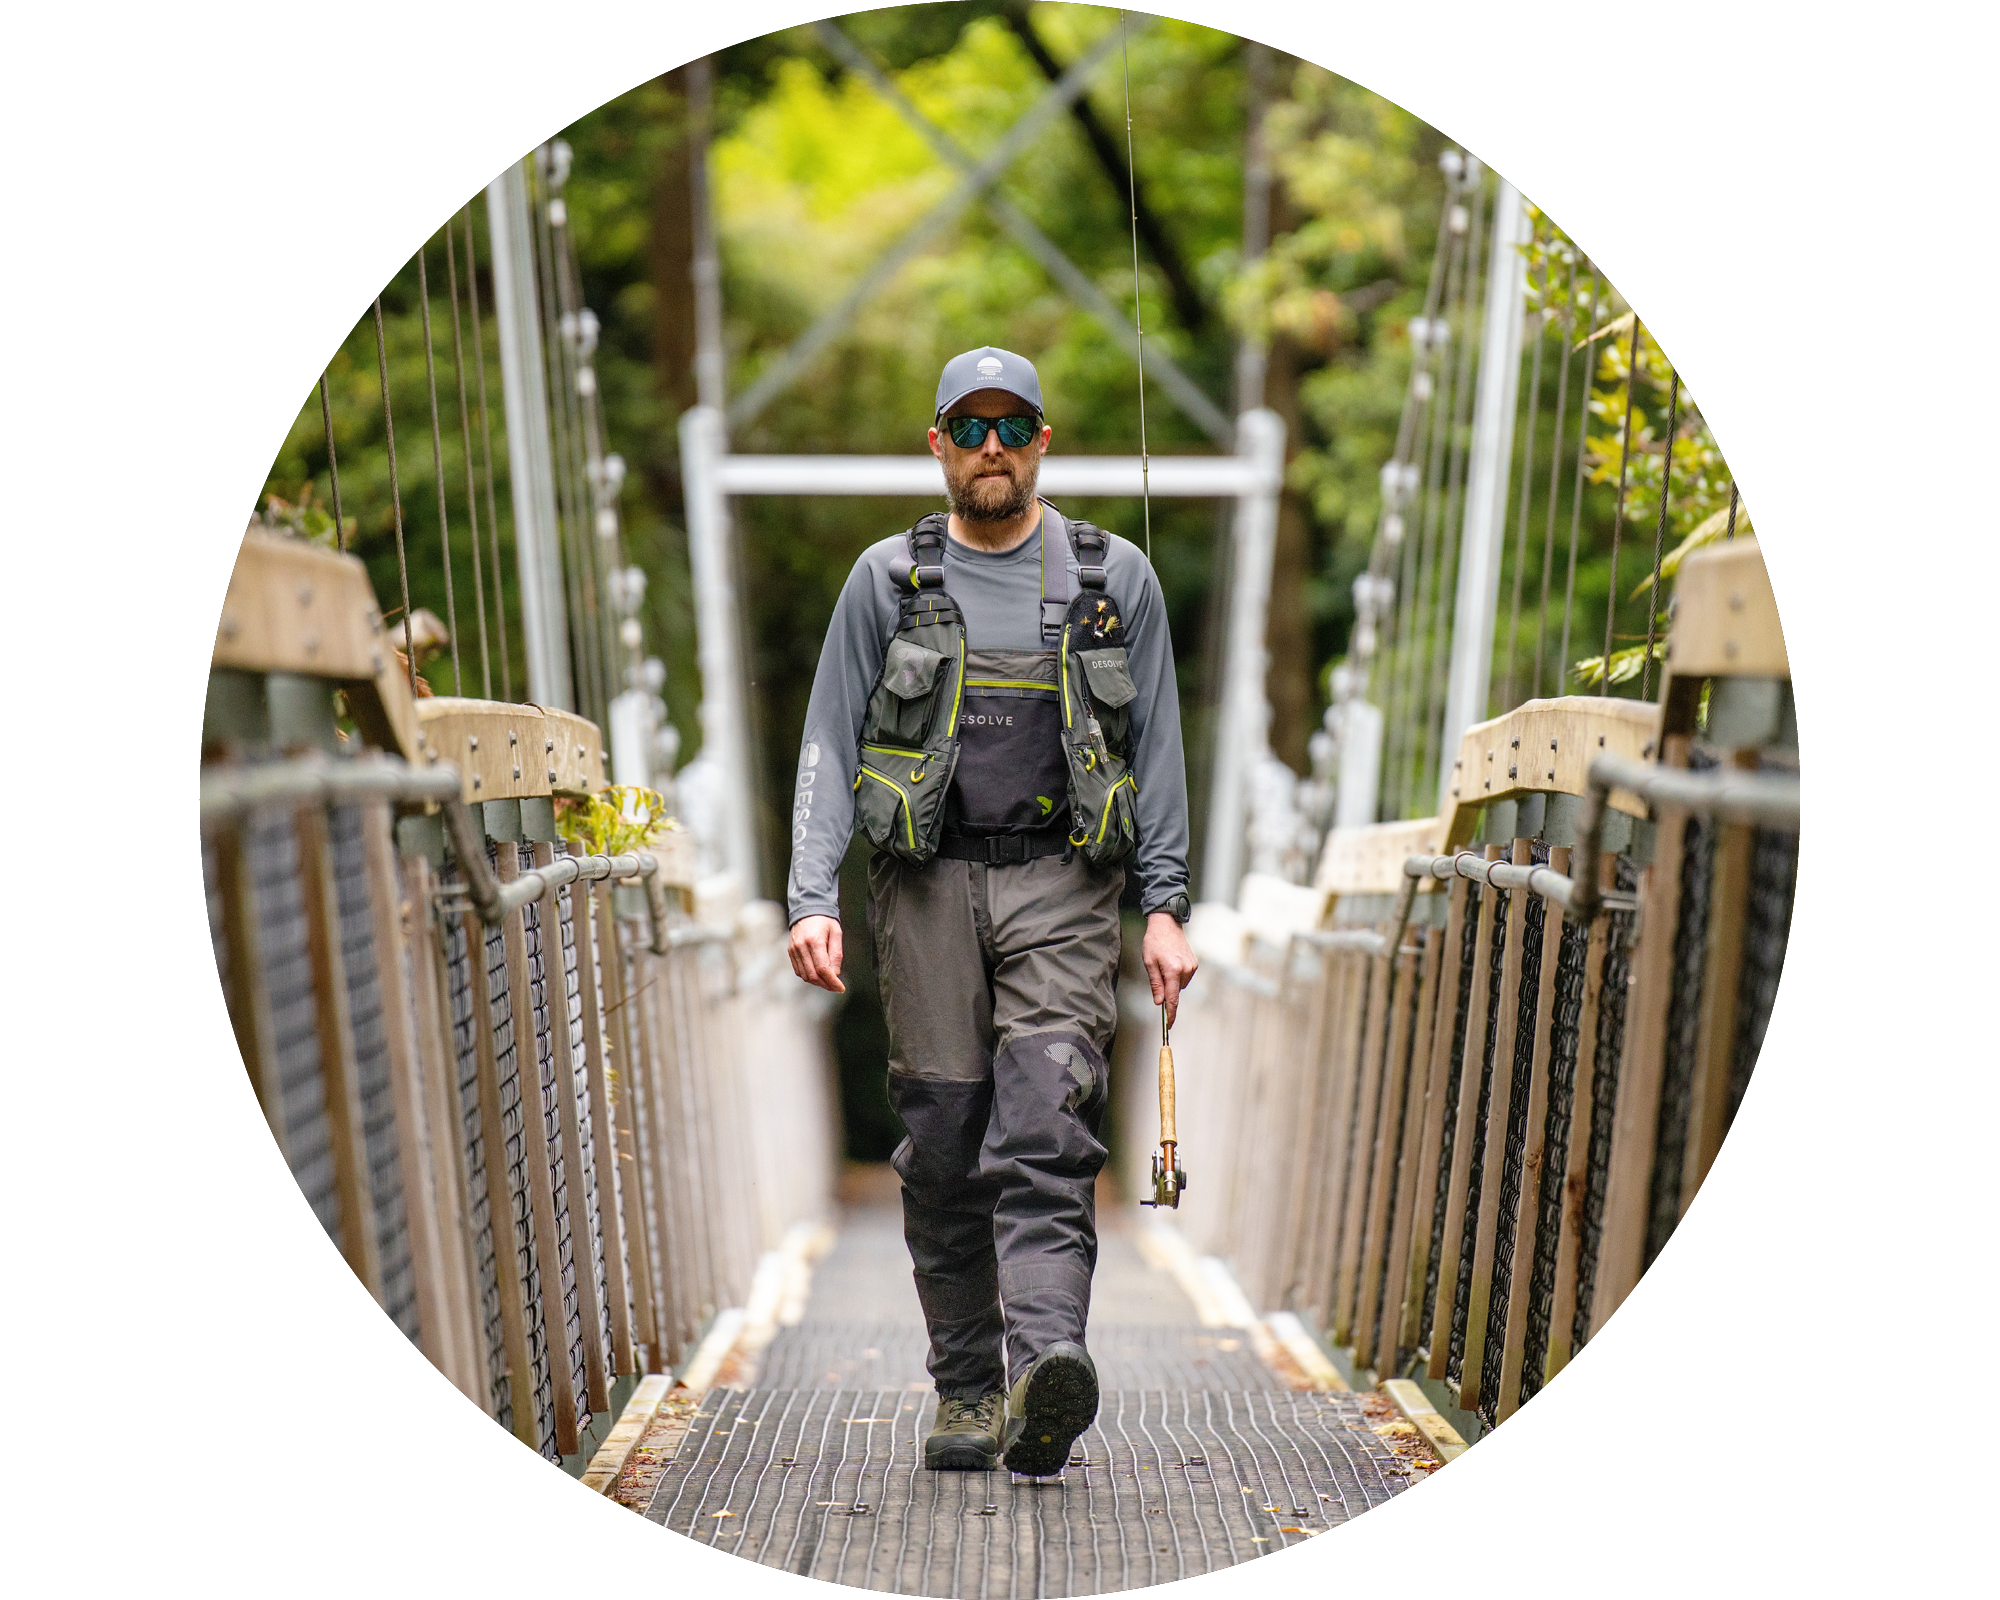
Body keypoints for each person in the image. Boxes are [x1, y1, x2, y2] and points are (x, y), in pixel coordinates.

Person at [785, 346, 1198, 1476]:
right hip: (924, 890)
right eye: (968, 428)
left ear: (1042, 441)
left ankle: (1046, 1364)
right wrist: (810, 895)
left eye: (1012, 426)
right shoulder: (885, 581)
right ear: (937, 445)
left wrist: (1165, 906)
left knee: (1046, 1121)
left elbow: (1157, 751)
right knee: (943, 1144)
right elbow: (827, 739)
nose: (991, 448)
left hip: (1064, 885)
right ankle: (968, 1389)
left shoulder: (1115, 581)